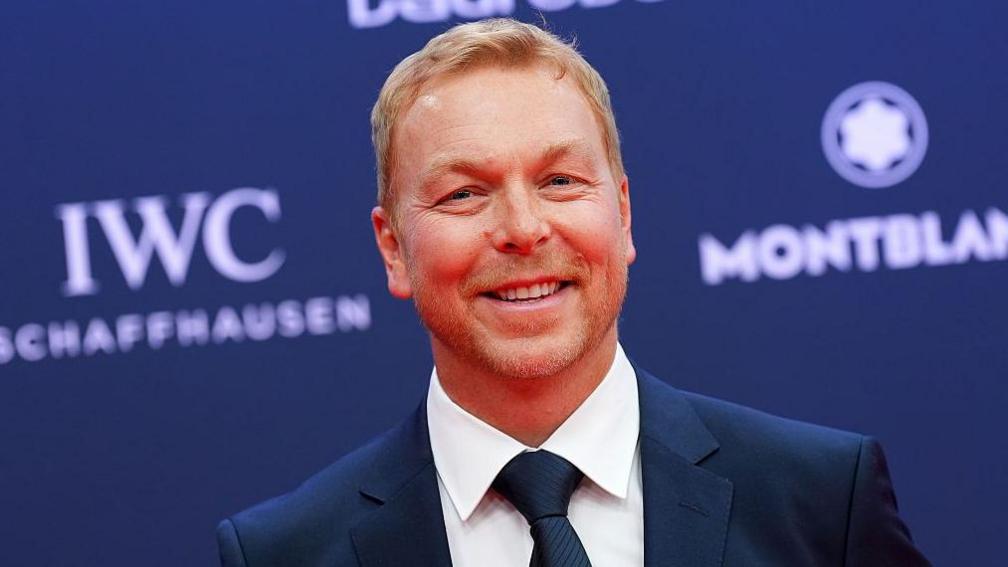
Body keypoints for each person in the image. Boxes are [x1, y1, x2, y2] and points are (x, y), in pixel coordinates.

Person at [217, 18, 929, 566]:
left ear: (622, 213)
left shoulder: (820, 502)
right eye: (463, 193)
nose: (523, 229)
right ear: (393, 249)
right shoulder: (284, 554)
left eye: (559, 181)